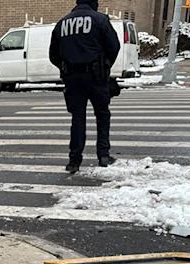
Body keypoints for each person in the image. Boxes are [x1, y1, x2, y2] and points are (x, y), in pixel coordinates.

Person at [49, 0, 120, 173]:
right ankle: (103, 156)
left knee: (78, 118)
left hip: (72, 78)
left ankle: (74, 161)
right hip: (96, 75)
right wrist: (104, 65)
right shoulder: (100, 20)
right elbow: (114, 46)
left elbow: (53, 55)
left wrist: (67, 67)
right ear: (93, 3)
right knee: (102, 115)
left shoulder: (62, 23)